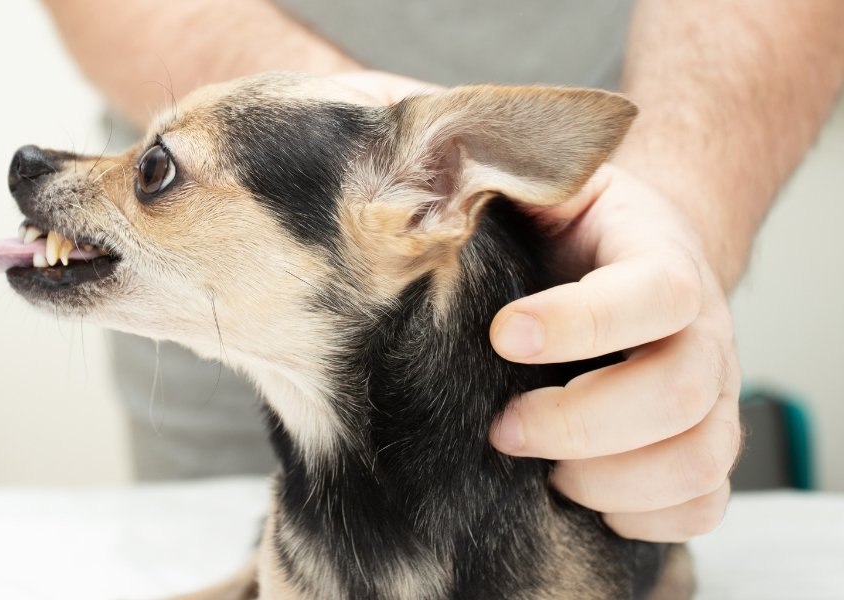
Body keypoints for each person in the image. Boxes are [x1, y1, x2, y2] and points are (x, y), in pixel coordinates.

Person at [41, 0, 844, 543]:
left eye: (154, 171)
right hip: (214, 392)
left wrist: (675, 215)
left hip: (585, 327)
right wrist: (340, 120)